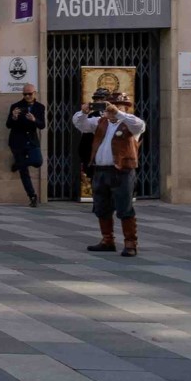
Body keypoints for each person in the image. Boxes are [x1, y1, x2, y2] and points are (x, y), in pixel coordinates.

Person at [73, 91, 146, 257]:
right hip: (101, 170)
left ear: (125, 108)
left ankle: (130, 243)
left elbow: (140, 125)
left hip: (122, 171)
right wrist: (83, 112)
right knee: (101, 206)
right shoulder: (100, 122)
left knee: (124, 207)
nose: (112, 110)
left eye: (119, 106)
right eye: (110, 106)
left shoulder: (130, 123)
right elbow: (80, 124)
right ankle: (107, 240)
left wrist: (118, 113)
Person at [6, 84, 46, 207]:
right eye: (25, 94)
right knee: (24, 172)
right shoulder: (16, 106)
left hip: (32, 140)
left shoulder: (40, 107)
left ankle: (18, 164)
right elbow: (8, 125)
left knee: (38, 161)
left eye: (30, 94)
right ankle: (32, 196)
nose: (27, 96)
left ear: (35, 93)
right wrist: (14, 117)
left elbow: (42, 125)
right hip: (17, 141)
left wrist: (34, 120)